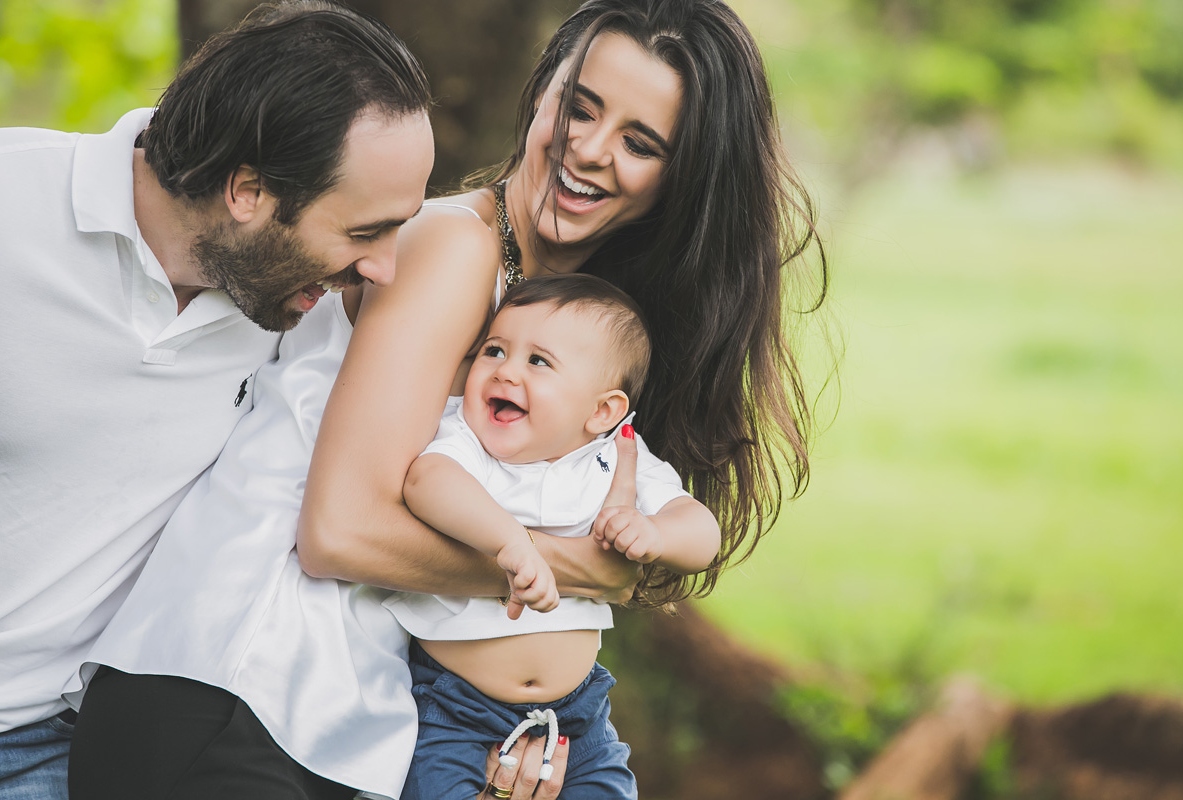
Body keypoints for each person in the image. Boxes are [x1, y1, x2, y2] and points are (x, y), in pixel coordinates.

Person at [68, 1, 828, 799]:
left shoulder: (568, 319)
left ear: (683, 181)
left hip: (330, 724)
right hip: (231, 691)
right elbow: (337, 532)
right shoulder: (457, 248)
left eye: (640, 143)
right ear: (543, 93)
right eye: (580, 106)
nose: (590, 150)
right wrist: (579, 569)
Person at [0, 0, 433, 796]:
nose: (385, 270)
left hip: (66, 745)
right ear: (247, 192)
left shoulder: (301, 313)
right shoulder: (10, 210)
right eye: (365, 232)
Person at [396, 274, 721, 800]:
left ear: (602, 412)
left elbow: (703, 534)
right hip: (456, 709)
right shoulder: (466, 441)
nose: (505, 370)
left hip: (578, 716)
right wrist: (510, 541)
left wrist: (653, 531)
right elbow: (426, 482)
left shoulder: (615, 458)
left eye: (537, 361)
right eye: (494, 350)